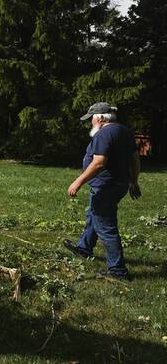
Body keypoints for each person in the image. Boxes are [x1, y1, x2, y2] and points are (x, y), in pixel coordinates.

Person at [63, 102, 141, 279]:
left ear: (99, 118)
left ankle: (117, 269)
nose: (91, 122)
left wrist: (78, 181)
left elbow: (99, 163)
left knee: (105, 225)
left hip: (105, 186)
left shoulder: (104, 134)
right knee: (95, 215)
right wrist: (133, 181)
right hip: (118, 184)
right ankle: (84, 248)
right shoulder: (125, 132)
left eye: (91, 118)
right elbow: (135, 160)